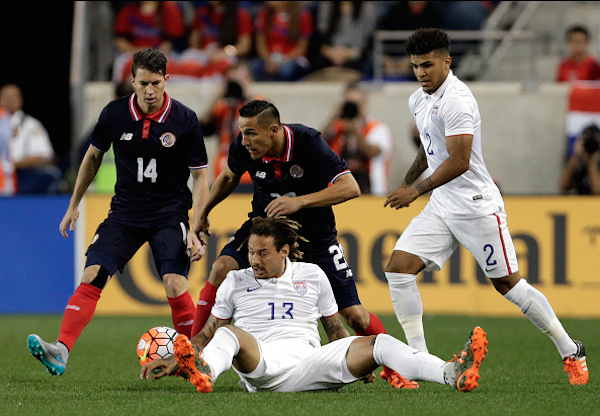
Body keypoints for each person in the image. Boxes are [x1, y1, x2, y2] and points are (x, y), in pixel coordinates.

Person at [383, 28, 589, 386]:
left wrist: (415, 191)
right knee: (398, 269)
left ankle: (570, 349)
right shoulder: (419, 99)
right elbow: (430, 148)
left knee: (508, 285)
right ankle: (418, 362)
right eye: (415, 66)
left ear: (447, 61)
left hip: (476, 206)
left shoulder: (458, 99)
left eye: (427, 65)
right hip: (443, 203)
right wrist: (407, 180)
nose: (420, 73)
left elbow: (459, 160)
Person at [192, 99, 418, 389]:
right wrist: (203, 213)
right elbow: (229, 177)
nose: (244, 140)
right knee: (221, 267)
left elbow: (350, 187)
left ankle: (394, 369)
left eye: (251, 133)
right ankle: (192, 354)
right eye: (242, 132)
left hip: (314, 235)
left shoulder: (308, 142)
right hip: (266, 230)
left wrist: (300, 202)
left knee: (356, 317)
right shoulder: (243, 147)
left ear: (274, 130)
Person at [141, 216, 488, 394]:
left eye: (262, 253)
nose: (253, 260)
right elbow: (207, 333)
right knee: (231, 333)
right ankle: (205, 372)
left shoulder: (313, 275)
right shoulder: (236, 281)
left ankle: (450, 373)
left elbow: (335, 330)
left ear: (284, 251)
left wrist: (359, 360)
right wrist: (183, 356)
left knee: (378, 343)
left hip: (311, 361)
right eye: (250, 252)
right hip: (264, 365)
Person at [26, 49, 210, 376]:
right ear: (132, 80)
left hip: (169, 213)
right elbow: (93, 158)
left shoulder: (184, 119)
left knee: (173, 283)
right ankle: (61, 351)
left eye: (156, 83)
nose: (149, 91)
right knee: (92, 273)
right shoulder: (114, 114)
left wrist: (197, 226)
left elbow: (200, 176)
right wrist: (74, 204)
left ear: (167, 80)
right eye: (143, 84)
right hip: (125, 213)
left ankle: (193, 357)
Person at [322, 82, 393, 196]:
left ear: (364, 105)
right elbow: (316, 145)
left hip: (371, 192)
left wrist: (356, 133)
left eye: (356, 104)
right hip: (338, 190)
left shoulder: (378, 128)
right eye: (349, 103)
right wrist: (332, 117)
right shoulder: (337, 127)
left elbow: (373, 152)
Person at [0, 84, 61, 194]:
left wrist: (13, 165)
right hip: (2, 174)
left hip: (22, 175)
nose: (10, 100)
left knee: (51, 175)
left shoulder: (31, 125)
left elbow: (43, 156)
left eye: (14, 97)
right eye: (6, 97)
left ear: (20, 100)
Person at [186, 1, 253, 78]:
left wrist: (224, 52)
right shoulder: (202, 13)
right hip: (204, 56)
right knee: (188, 56)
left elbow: (244, 46)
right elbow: (193, 43)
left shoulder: (240, 14)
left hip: (227, 55)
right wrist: (205, 53)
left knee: (232, 69)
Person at [311, 1, 378, 76]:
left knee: (357, 64)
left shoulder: (367, 7)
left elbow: (369, 39)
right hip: (332, 51)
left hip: (356, 52)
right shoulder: (327, 6)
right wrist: (331, 53)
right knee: (319, 62)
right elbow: (321, 37)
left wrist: (349, 53)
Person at [251, 1, 314, 81]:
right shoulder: (264, 13)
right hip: (269, 58)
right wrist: (268, 60)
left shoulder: (303, 15)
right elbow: (260, 43)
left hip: (293, 58)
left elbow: (302, 47)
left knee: (286, 70)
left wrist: (282, 61)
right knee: (254, 66)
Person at [559, 124, 600, 194]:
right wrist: (576, 157)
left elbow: (597, 192)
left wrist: (592, 163)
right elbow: (563, 187)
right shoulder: (577, 163)